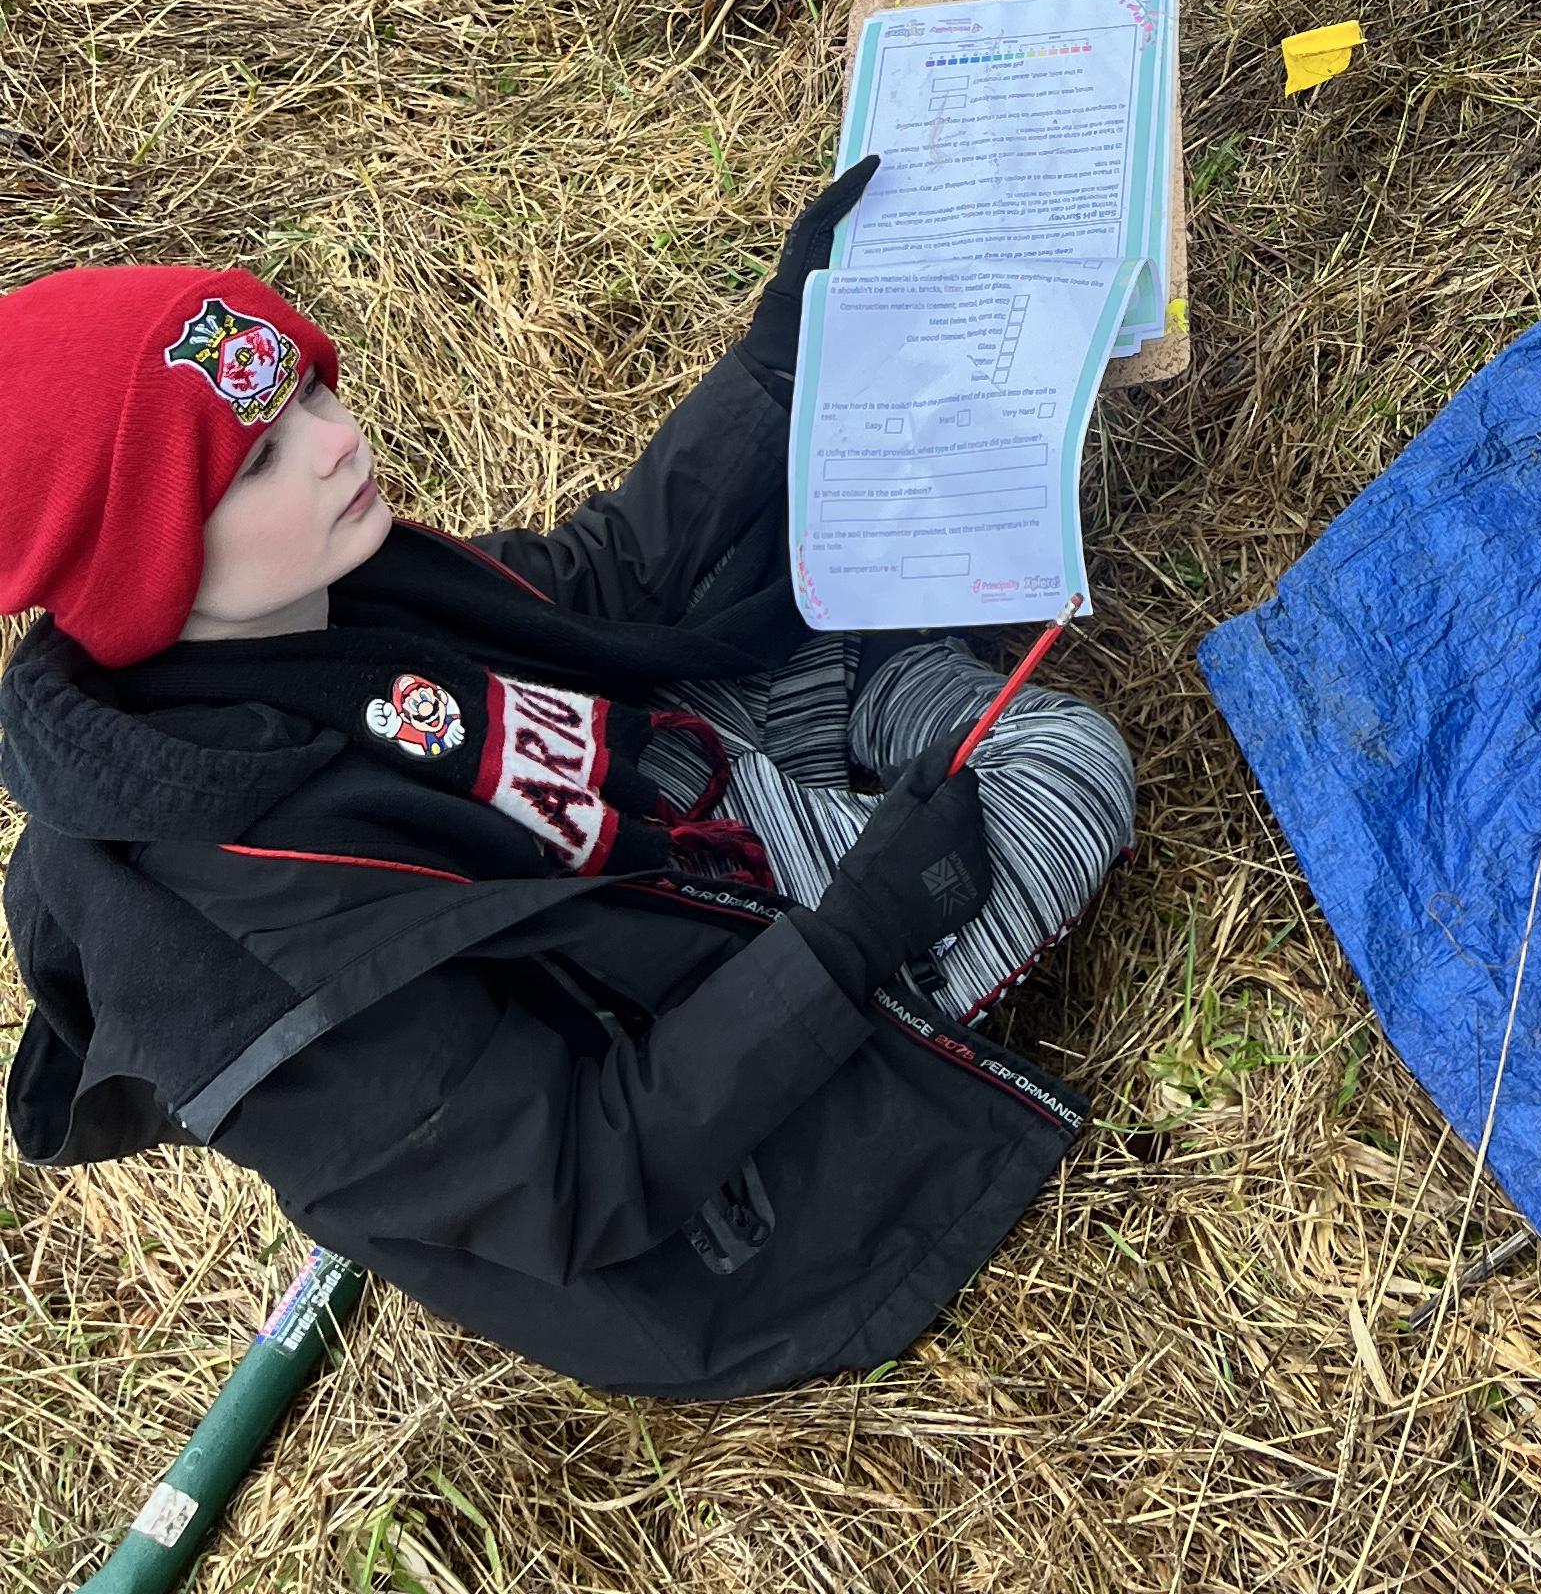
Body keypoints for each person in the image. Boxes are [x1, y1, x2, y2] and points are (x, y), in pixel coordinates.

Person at [0, 170, 1135, 1396]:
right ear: (142, 560)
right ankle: (890, 849)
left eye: (312, 387)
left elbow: (591, 586)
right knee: (1069, 766)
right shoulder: (243, 949)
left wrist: (772, 366)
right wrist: (861, 932)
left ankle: (851, 751)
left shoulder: (311, 601)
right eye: (262, 459)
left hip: (657, 823)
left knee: (833, 554)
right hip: (710, 1108)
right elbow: (582, 1173)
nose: (338, 440)